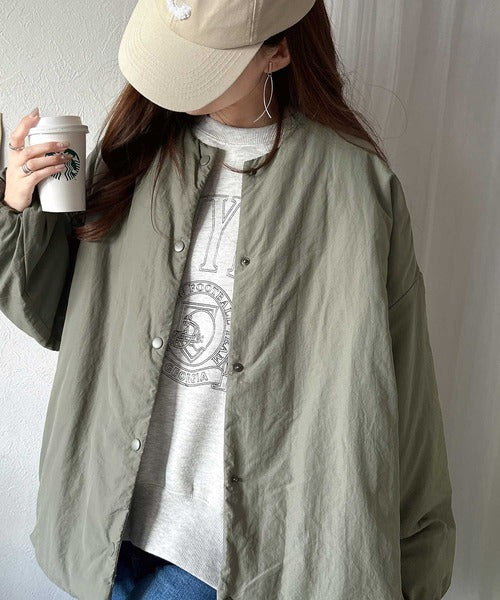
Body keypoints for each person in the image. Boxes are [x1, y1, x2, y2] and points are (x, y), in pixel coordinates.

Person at [0, 0, 456, 599]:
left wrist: (417, 565)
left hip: (245, 556)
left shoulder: (355, 187)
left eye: (205, 57)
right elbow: (58, 318)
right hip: (111, 527)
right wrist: (17, 209)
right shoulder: (132, 154)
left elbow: (405, 385)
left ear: (279, 50)